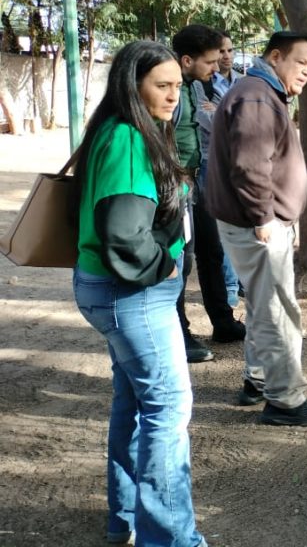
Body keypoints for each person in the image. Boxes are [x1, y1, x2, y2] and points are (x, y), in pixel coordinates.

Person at [72, 40, 206, 547]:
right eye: (162, 85)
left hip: (113, 291)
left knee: (134, 401)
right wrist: (165, 265)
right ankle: (171, 539)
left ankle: (125, 519)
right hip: (131, 294)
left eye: (177, 86)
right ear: (134, 85)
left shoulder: (118, 129)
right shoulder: (129, 138)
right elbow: (126, 236)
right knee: (167, 409)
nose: (173, 95)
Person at [206, 30, 307, 427]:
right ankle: (285, 402)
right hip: (258, 225)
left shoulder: (261, 93)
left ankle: (258, 380)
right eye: (301, 63)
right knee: (278, 310)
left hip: (257, 222)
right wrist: (263, 217)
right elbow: (250, 165)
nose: (306, 72)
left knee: (264, 305)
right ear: (275, 57)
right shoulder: (257, 98)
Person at [171, 25, 245, 364]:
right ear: (187, 60)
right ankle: (178, 333)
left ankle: (223, 321)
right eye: (211, 61)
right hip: (173, 185)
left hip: (196, 181)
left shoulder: (194, 85)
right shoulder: (170, 88)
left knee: (211, 250)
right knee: (180, 260)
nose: (217, 67)